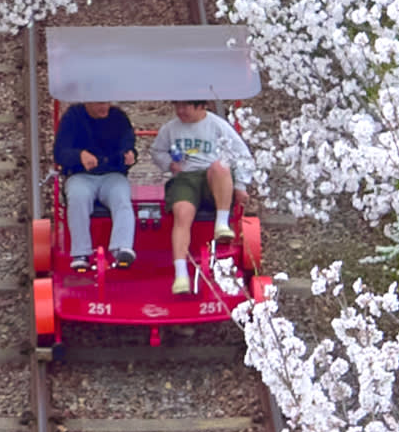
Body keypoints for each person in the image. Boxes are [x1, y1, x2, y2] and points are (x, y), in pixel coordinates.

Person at [149, 100, 256, 297]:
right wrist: (169, 164)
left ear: (201, 106)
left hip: (212, 178)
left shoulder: (218, 126)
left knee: (220, 165)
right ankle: (181, 275)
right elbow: (157, 152)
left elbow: (242, 154)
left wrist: (241, 185)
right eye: (178, 107)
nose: (181, 111)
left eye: (186, 106)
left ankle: (222, 223)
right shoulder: (170, 129)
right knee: (182, 213)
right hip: (186, 178)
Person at [54, 96, 137, 272]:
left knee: (122, 196)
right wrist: (79, 156)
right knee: (78, 197)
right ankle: (80, 253)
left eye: (107, 102)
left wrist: (130, 156)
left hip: (112, 175)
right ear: (87, 102)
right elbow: (60, 153)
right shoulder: (72, 118)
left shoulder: (119, 118)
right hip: (80, 176)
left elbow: (129, 145)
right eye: (100, 103)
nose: (105, 107)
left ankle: (122, 247)